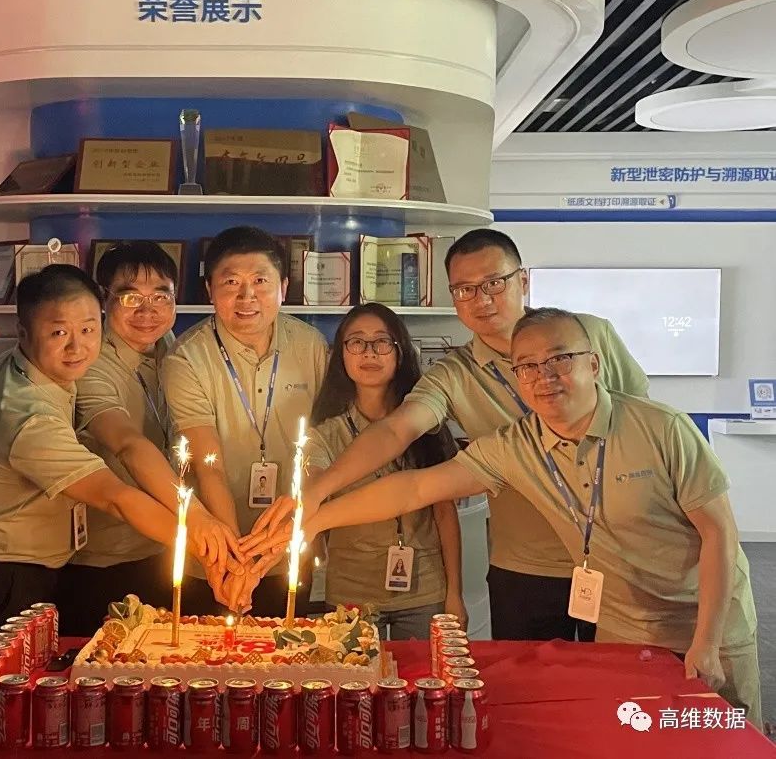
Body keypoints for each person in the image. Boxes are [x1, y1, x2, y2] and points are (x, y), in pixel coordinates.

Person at [249, 308, 761, 727]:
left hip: (705, 620)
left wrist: (708, 640)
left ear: (594, 364)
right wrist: (312, 518)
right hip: (622, 631)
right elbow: (416, 487)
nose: (545, 376)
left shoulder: (661, 428)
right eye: (528, 367)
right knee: (633, 731)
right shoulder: (518, 446)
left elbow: (718, 531)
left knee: (723, 737)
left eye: (559, 359)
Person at [263, 229, 648, 641]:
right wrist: (316, 496)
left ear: (523, 280)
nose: (482, 299)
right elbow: (397, 433)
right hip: (526, 566)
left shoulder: (588, 335)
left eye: (494, 283)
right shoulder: (456, 376)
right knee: (522, 677)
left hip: (618, 556)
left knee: (623, 677)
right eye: (465, 289)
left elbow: (641, 428)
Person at [0, 265, 237, 634]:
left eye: (89, 329)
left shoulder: (24, 364)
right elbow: (116, 497)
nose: (77, 347)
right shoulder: (29, 417)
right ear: (23, 332)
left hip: (27, 569)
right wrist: (208, 547)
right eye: (59, 332)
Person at [58, 242, 243, 635]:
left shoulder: (174, 351)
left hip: (164, 552)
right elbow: (127, 444)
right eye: (130, 297)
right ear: (104, 299)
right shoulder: (89, 364)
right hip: (104, 559)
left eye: (161, 296)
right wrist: (199, 519)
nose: (147, 311)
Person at [162, 226, 328, 615]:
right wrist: (237, 563)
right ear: (209, 290)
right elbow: (209, 467)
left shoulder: (312, 346)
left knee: (288, 647)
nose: (246, 296)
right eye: (231, 282)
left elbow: (323, 442)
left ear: (283, 287)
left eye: (260, 281)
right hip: (216, 554)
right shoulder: (186, 358)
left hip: (288, 547)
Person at [304, 303, 465, 639]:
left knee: (425, 671)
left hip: (424, 586)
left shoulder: (426, 424)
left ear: (400, 352)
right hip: (352, 590)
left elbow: (445, 512)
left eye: (381, 342)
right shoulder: (325, 434)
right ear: (341, 354)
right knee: (354, 673)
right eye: (356, 342)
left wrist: (455, 593)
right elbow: (312, 485)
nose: (369, 353)